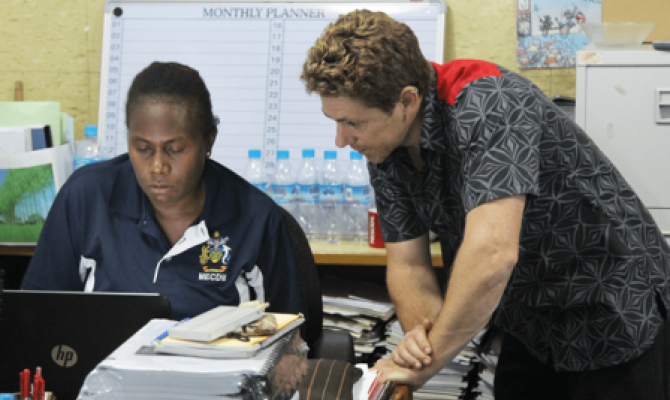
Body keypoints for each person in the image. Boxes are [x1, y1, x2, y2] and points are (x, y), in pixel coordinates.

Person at [300, 9, 670, 400]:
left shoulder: (489, 103)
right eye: (335, 121)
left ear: (407, 100)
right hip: (530, 317)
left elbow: (492, 254)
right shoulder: (384, 145)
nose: (342, 140)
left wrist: (420, 367)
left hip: (610, 305)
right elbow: (408, 264)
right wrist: (421, 343)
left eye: (354, 123)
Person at [22, 61, 308, 323]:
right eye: (143, 148)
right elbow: (37, 317)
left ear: (209, 141)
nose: (158, 167)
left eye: (175, 149)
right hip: (105, 363)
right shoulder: (86, 198)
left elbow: (289, 336)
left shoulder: (257, 220)